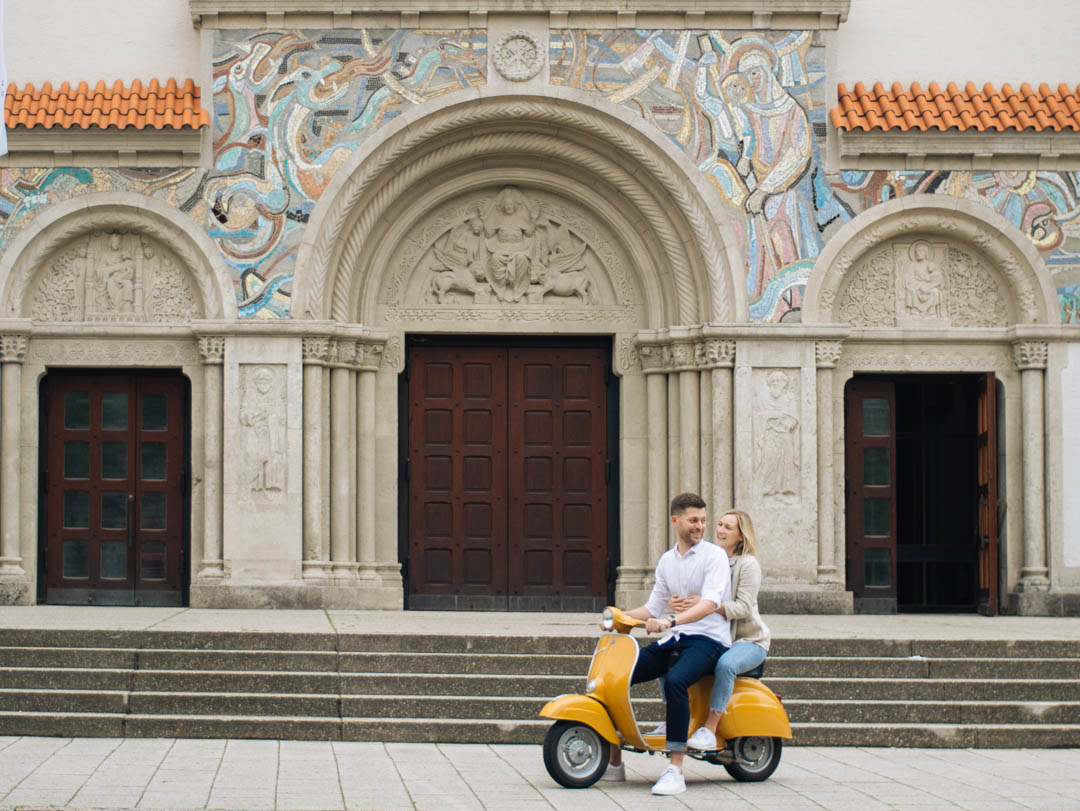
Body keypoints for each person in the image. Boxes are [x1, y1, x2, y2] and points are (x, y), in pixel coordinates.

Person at [605, 492, 732, 796]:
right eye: (693, 520)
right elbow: (652, 608)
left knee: (675, 681)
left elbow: (712, 603)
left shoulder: (714, 557)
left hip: (709, 639)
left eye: (702, 520)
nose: (699, 526)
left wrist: (671, 621)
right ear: (676, 521)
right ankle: (613, 763)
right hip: (675, 637)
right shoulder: (666, 560)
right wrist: (616, 616)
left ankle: (676, 769)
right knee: (617, 676)